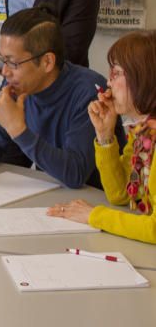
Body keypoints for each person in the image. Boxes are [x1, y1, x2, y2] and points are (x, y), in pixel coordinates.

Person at [0, 6, 121, 190]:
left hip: (98, 199)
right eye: (2, 60)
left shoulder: (89, 93)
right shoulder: (16, 85)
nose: (4, 71)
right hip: (53, 194)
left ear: (47, 62)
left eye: (12, 62)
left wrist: (18, 130)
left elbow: (75, 173)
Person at [48, 30, 156, 244]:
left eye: (116, 73)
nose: (108, 82)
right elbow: (120, 194)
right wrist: (105, 135)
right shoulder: (143, 132)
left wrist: (94, 216)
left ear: (142, 77)